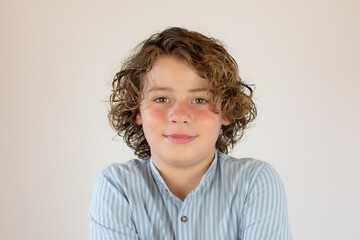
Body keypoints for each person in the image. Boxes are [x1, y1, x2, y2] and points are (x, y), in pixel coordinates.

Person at [88, 27, 292, 239]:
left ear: (226, 111)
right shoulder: (116, 186)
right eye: (161, 99)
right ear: (136, 111)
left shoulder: (255, 182)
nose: (180, 115)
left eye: (200, 100)